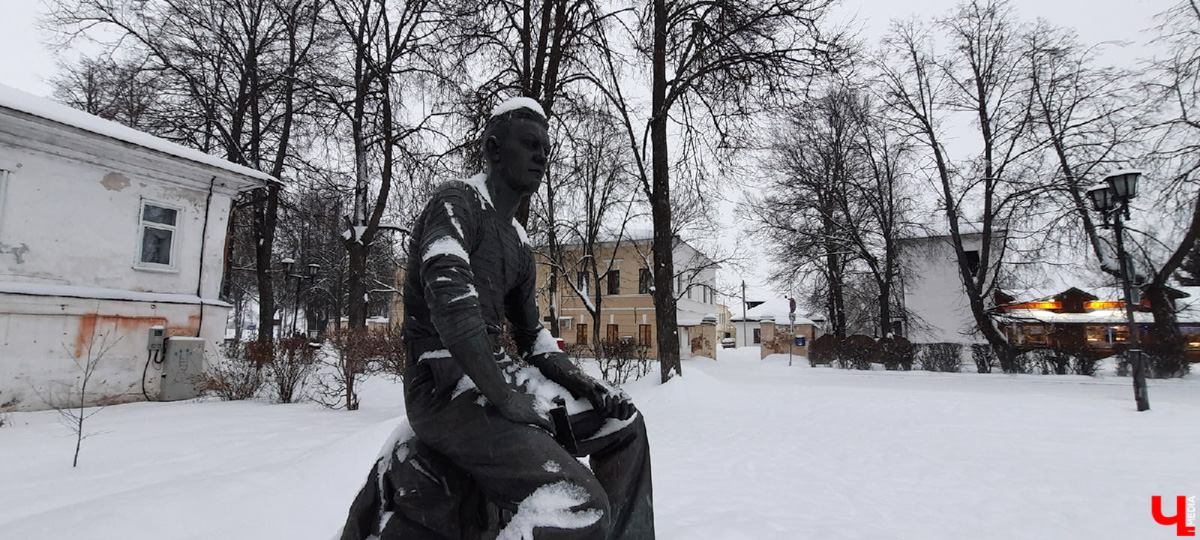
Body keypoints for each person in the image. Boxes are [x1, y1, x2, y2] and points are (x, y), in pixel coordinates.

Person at [391, 97, 654, 540]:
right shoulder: (457, 203)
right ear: (494, 150)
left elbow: (533, 337)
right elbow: (452, 303)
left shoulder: (517, 241)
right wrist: (504, 397)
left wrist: (588, 386)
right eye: (530, 145)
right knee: (580, 506)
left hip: (498, 377)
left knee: (624, 424)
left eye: (546, 151)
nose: (540, 158)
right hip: (442, 387)